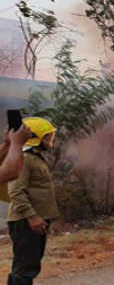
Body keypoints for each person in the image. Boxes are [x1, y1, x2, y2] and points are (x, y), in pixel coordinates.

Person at [6, 117, 59, 285]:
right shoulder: (25, 158)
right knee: (25, 270)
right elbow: (16, 191)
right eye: (46, 137)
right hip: (26, 221)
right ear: (35, 138)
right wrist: (32, 217)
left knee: (25, 266)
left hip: (31, 220)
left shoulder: (35, 157)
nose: (49, 141)